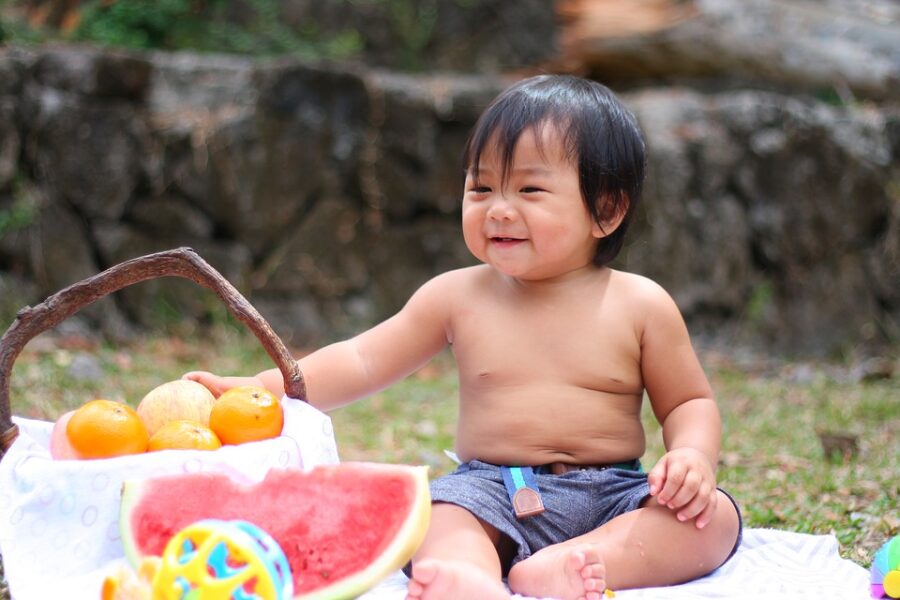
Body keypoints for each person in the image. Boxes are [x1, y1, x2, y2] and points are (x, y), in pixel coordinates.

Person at [185, 74, 742, 600]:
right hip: (491, 490)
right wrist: (258, 390)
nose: (498, 209)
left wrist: (693, 456)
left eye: (529, 188)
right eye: (481, 187)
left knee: (711, 519)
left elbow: (689, 401)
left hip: (613, 496)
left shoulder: (641, 303)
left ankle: (578, 563)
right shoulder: (457, 296)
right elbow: (360, 360)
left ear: (606, 209)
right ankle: (467, 575)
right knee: (437, 516)